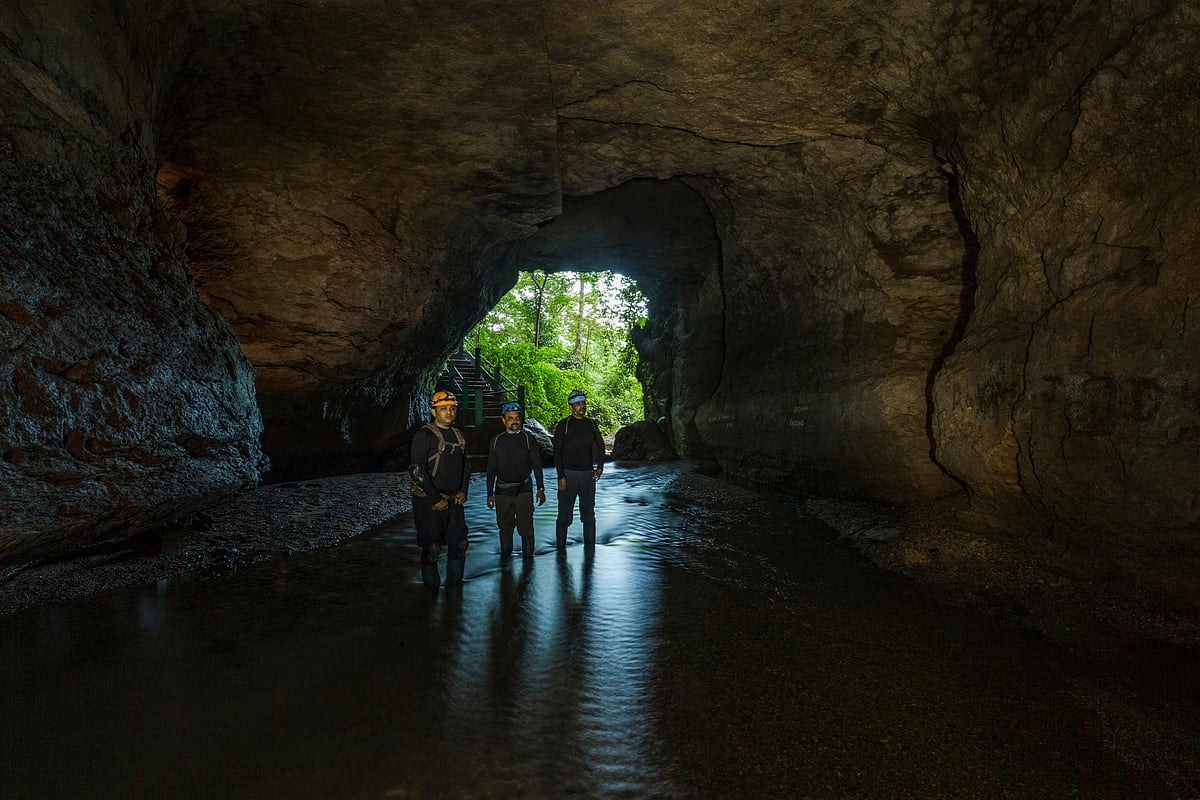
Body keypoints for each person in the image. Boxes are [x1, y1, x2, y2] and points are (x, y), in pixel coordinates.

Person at [409, 390, 470, 591]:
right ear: (434, 411)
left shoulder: (459, 436)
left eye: (452, 409)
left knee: (460, 544)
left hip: (454, 500)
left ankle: (454, 593)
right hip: (428, 502)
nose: (449, 413)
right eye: (443, 409)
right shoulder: (424, 435)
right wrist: (435, 499)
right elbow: (416, 470)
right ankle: (431, 594)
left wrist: (463, 490)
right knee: (432, 548)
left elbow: (466, 466)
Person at [485, 401, 546, 561]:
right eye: (510, 418)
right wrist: (489, 493)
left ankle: (528, 563)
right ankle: (506, 564)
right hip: (502, 491)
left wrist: (541, 488)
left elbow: (537, 465)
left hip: (523, 490)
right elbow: (491, 468)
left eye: (517, 418)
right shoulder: (496, 440)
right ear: (503, 420)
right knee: (505, 528)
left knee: (526, 528)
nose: (514, 421)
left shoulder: (528, 439)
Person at [552, 389, 605, 549]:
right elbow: (556, 452)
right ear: (571, 407)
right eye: (578, 404)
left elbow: (601, 446)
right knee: (564, 516)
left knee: (588, 515)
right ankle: (561, 551)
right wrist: (561, 476)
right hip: (568, 475)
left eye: (583, 403)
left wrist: (600, 468)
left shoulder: (591, 424)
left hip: (588, 475)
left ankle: (590, 550)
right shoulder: (564, 425)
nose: (582, 406)